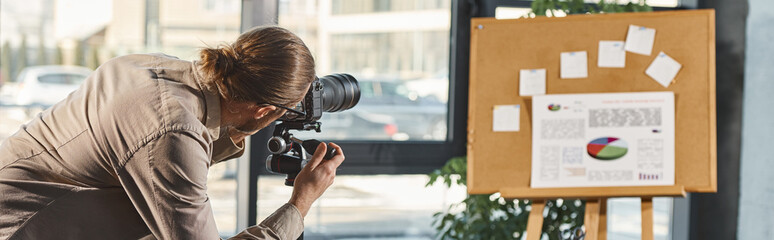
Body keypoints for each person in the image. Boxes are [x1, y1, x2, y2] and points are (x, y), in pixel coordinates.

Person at [0, 26, 344, 239]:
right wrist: (300, 204)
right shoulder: (174, 132)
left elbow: (146, 154)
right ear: (264, 110)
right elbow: (168, 145)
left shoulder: (149, 66)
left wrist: (238, 131)